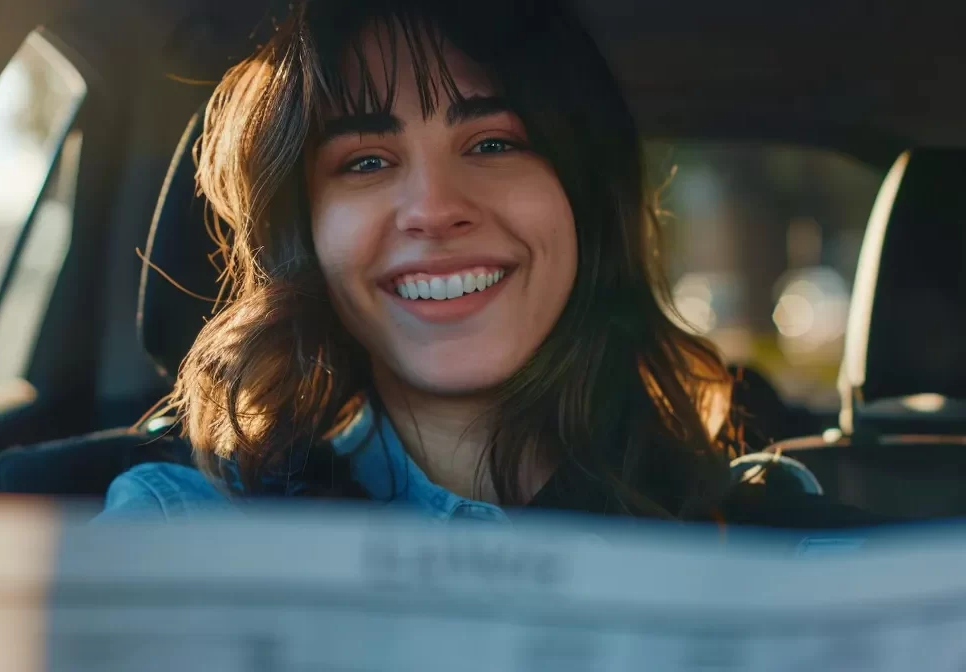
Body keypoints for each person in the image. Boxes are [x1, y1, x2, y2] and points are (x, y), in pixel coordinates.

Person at [96, 0, 874, 528]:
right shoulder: (178, 529)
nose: (435, 207)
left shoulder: (763, 534)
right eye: (366, 161)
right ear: (302, 239)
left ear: (585, 199)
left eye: (494, 144)